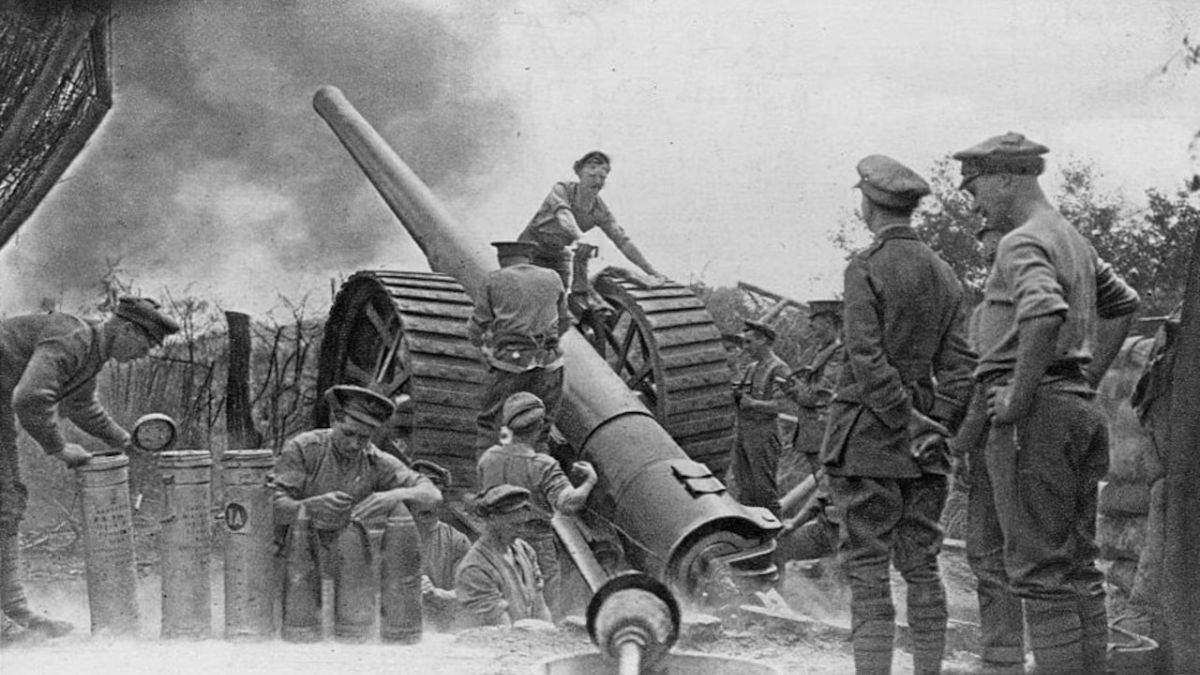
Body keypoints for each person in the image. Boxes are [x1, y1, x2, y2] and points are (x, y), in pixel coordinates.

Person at [953, 132, 1138, 675]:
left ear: (1006, 178)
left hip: (1034, 415)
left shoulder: (1021, 241)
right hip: (1073, 406)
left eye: (976, 189)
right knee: (1078, 566)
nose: (975, 203)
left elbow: (1044, 312)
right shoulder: (1071, 238)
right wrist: (1085, 378)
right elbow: (1123, 304)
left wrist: (1018, 395)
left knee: (1037, 571)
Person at [820, 155, 975, 675]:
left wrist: (903, 420)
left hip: (868, 438)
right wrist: (936, 426)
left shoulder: (865, 267)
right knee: (923, 564)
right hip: (925, 449)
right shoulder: (945, 273)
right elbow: (961, 368)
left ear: (868, 205)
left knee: (867, 568)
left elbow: (865, 359)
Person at [0, 296, 179, 642]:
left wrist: (127, 442)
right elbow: (30, 397)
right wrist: (58, 447)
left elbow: (82, 406)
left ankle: (15, 612)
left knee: (7, 503)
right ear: (128, 330)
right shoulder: (73, 338)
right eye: (145, 346)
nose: (143, 355)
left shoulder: (90, 353)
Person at [270, 385, 442, 580]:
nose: (355, 445)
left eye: (364, 437)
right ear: (333, 420)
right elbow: (271, 508)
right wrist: (308, 508)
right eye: (348, 433)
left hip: (347, 568)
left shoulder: (375, 460)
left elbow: (433, 495)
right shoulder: (305, 449)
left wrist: (392, 496)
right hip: (295, 564)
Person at [476, 391, 598, 619]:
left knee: (500, 605)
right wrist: (590, 480)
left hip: (494, 542)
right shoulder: (543, 465)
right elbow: (569, 504)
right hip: (536, 544)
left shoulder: (488, 458)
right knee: (543, 607)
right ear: (540, 426)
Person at [468, 241, 571, 454]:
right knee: (540, 427)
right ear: (528, 257)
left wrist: (482, 348)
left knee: (493, 424)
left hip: (511, 365)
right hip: (550, 364)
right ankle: (538, 468)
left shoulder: (494, 279)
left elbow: (478, 325)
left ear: (502, 258)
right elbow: (564, 320)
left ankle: (492, 470)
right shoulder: (552, 277)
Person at [518, 150, 666, 293]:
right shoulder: (562, 189)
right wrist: (580, 236)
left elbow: (623, 241)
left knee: (560, 298)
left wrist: (652, 272)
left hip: (557, 253)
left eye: (602, 177)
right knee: (526, 294)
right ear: (580, 174)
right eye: (592, 176)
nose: (597, 182)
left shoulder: (600, 210)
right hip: (529, 249)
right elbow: (563, 214)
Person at [454, 484, 552, 628]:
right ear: (492, 519)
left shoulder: (525, 550)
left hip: (526, 637)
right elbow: (502, 629)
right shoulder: (475, 569)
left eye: (523, 524)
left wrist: (549, 634)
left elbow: (540, 608)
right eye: (514, 525)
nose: (521, 531)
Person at [728, 319, 791, 518]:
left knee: (764, 490)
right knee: (745, 489)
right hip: (744, 432)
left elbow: (783, 405)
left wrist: (753, 404)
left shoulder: (779, 368)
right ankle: (751, 531)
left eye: (749, 342)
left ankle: (775, 530)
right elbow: (742, 395)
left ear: (763, 340)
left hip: (764, 434)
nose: (745, 348)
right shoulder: (752, 368)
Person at [410, 459, 471, 633]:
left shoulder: (457, 542)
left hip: (440, 630)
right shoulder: (389, 537)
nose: (427, 505)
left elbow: (467, 595)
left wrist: (436, 594)